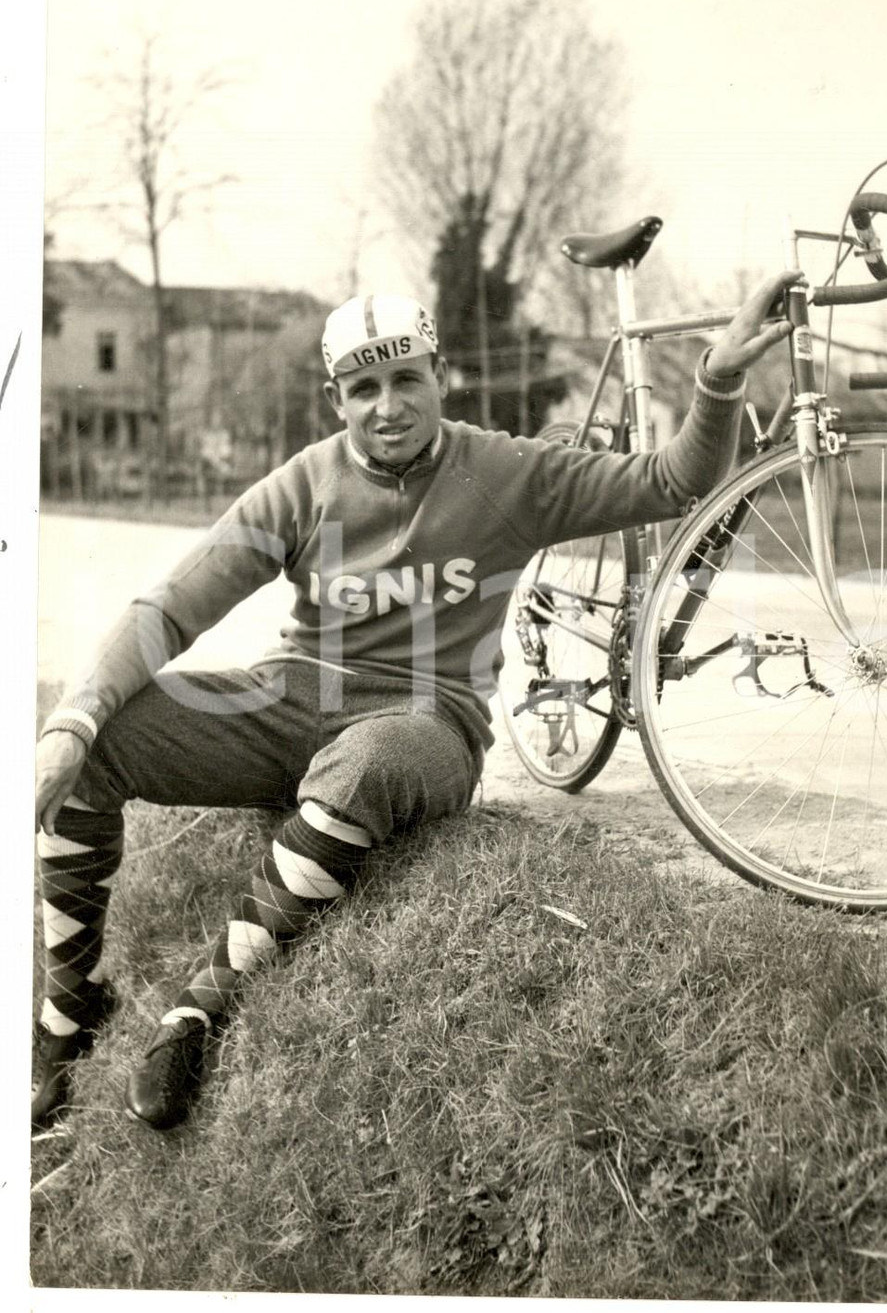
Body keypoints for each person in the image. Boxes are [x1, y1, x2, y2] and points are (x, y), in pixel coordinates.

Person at [32, 273, 799, 1133]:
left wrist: (719, 381)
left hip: (427, 714)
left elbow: (668, 481)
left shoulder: (507, 472)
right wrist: (74, 720)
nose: (388, 406)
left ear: (441, 376)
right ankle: (67, 1017)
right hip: (296, 695)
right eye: (364, 388)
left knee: (368, 765)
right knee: (97, 744)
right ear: (337, 399)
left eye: (407, 380)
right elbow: (170, 609)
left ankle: (195, 1012)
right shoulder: (302, 485)